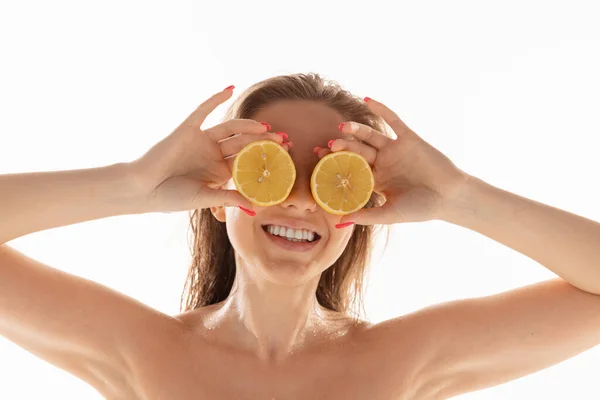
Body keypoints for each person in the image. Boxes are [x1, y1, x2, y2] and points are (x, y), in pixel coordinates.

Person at [1, 72, 599, 399]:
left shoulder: (402, 358)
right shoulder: (143, 349)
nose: (300, 197)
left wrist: (460, 197)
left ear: (365, 204)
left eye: (334, 176)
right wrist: (131, 185)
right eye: (272, 168)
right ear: (216, 195)